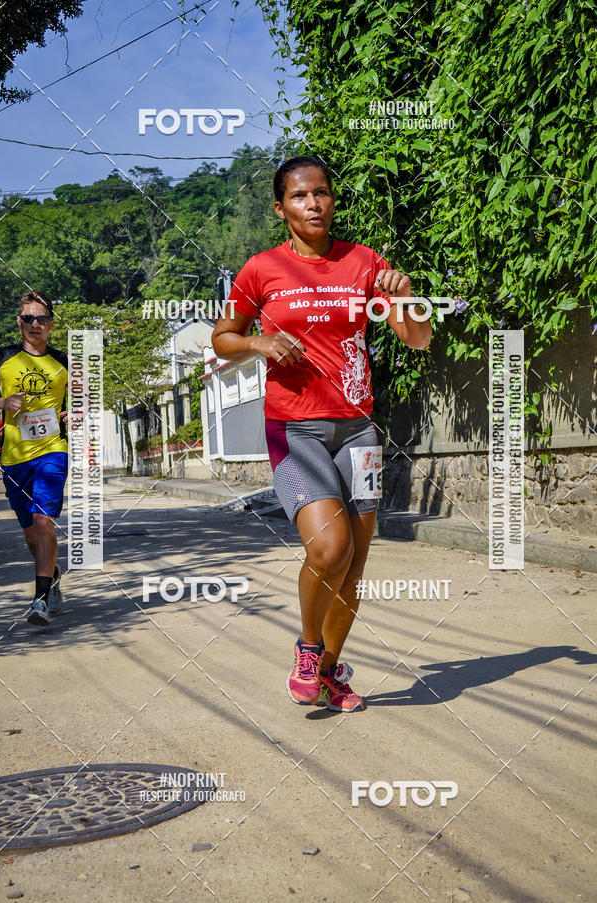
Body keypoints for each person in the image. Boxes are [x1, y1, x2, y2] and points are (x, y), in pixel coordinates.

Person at [212, 155, 432, 712]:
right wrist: (259, 343)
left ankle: (331, 671)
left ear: (333, 199)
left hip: (358, 431)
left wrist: (404, 295)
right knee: (329, 548)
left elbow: (418, 339)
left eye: (322, 193)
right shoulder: (261, 270)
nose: (313, 204)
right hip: (295, 428)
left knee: (355, 563)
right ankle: (308, 648)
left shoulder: (362, 262)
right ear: (282, 207)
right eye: (300, 196)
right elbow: (223, 338)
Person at [0, 291, 68, 627]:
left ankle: (38, 601)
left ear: (51, 323)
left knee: (44, 523)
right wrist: (2, 403)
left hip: (53, 450)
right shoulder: (2, 359)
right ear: (19, 321)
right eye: (28, 318)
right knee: (31, 534)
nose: (35, 324)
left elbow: (83, 402)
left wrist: (74, 415)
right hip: (14, 457)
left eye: (41, 319)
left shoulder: (66, 362)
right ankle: (51, 574)